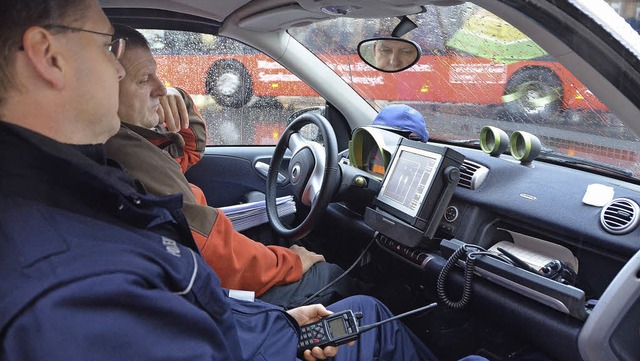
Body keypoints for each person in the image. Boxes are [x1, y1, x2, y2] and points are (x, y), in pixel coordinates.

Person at [0, 1, 492, 360]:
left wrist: (274, 319)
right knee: (370, 318)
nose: (114, 65)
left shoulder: (68, 179)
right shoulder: (60, 279)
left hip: (238, 322)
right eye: (109, 47)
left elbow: (183, 293)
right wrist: (285, 280)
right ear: (48, 55)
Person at [104, 24, 356, 308]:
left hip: (196, 267)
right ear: (102, 89)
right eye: (143, 80)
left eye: (157, 75)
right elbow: (215, 252)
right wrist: (293, 262)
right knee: (331, 277)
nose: (160, 88)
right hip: (211, 291)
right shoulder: (130, 155)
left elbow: (189, 150)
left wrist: (180, 100)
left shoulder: (130, 142)